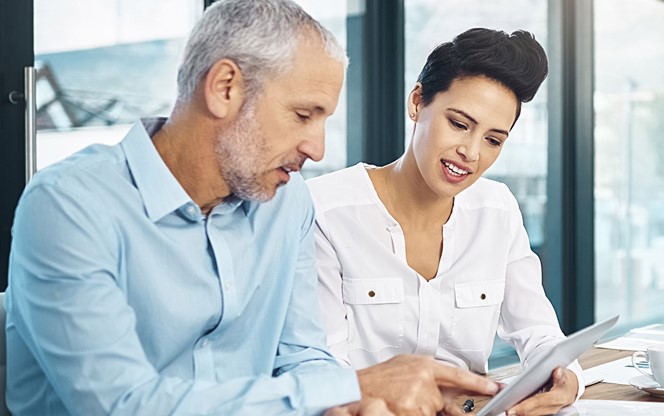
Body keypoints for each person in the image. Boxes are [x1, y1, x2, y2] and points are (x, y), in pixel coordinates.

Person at [4, 1, 500, 415]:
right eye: (304, 115)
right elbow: (123, 405)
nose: (318, 148)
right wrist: (348, 389)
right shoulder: (68, 207)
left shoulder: (287, 204)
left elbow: (302, 355)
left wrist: (355, 406)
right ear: (224, 88)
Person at [307, 28, 584, 416]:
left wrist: (564, 375)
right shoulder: (325, 210)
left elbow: (537, 330)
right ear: (418, 102)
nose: (470, 153)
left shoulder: (498, 209)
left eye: (493, 140)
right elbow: (319, 366)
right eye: (459, 124)